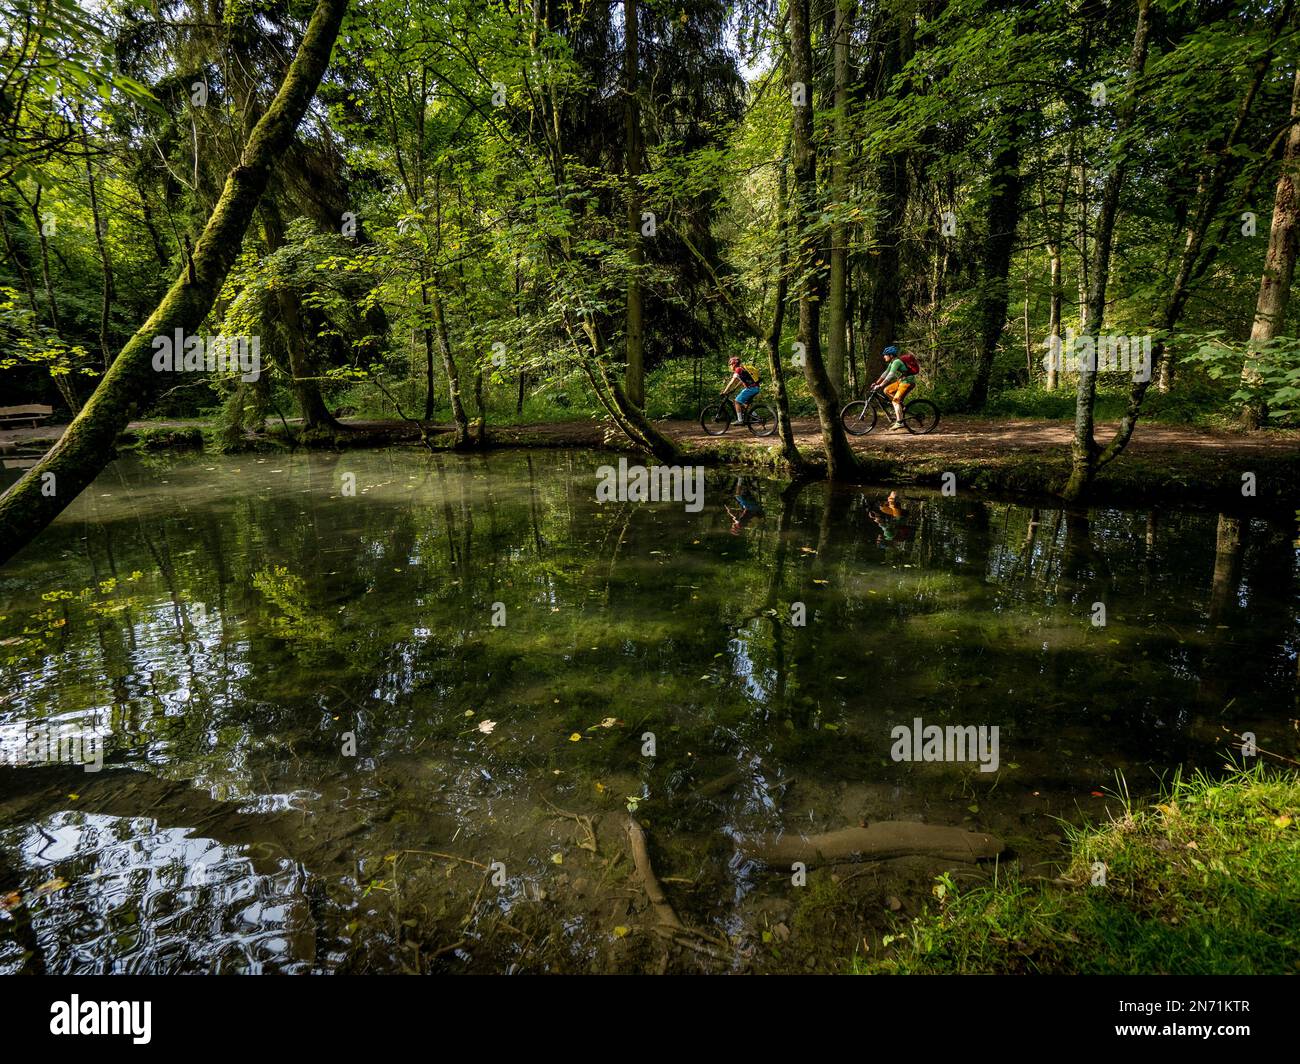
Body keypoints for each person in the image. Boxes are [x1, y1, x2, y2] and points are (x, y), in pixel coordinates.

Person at [869, 345, 917, 431]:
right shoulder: (892, 362)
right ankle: (899, 406)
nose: (884, 357)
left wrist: (880, 385)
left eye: (885, 355)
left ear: (891, 355)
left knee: (895, 400)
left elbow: (891, 375)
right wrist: (876, 383)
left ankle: (900, 422)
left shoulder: (896, 362)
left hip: (908, 382)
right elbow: (885, 373)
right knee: (886, 390)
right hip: (902, 381)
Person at [722, 356, 762, 425]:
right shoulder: (742, 369)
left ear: (734, 364)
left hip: (751, 389)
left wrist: (725, 391)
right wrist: (734, 389)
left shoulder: (738, 370)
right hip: (754, 388)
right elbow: (741, 381)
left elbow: (732, 382)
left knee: (737, 401)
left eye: (730, 365)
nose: (730, 367)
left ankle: (740, 420)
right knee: (744, 405)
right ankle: (755, 417)